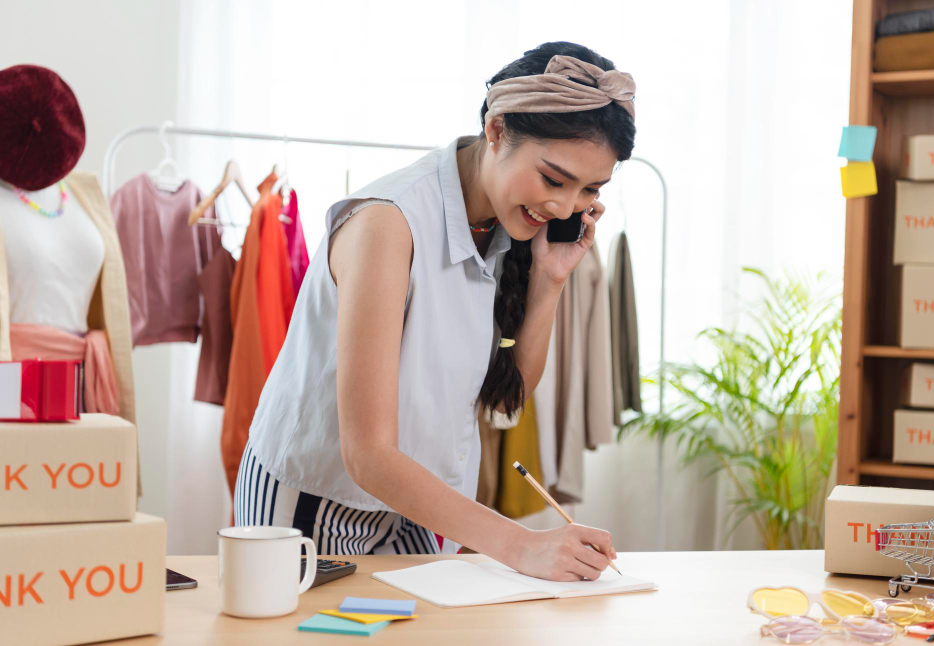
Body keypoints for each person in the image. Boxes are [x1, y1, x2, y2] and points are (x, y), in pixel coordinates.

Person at [234, 41, 637, 582]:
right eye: (553, 179)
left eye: (589, 189)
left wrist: (550, 279)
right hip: (313, 500)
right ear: (496, 131)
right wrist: (520, 547)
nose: (565, 207)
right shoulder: (388, 224)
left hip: (423, 506)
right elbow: (369, 454)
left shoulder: (505, 228)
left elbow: (506, 396)